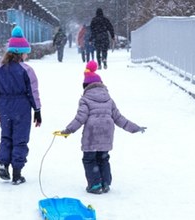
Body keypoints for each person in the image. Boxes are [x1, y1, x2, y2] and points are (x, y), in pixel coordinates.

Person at [59, 61, 146, 194]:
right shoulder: (109, 99)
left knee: (89, 159)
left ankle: (95, 185)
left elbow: (80, 118)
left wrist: (68, 130)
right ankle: (105, 183)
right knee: (103, 158)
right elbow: (119, 118)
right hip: (106, 134)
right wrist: (135, 128)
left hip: (92, 135)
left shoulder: (85, 99)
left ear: (85, 86)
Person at [0, 25, 42, 185]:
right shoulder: (26, 70)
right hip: (22, 107)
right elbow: (33, 91)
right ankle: (17, 173)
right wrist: (37, 110)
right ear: (20, 53)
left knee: (6, 137)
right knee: (20, 139)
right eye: (26, 53)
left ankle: (4, 164)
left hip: (4, 106)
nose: (26, 56)